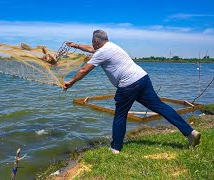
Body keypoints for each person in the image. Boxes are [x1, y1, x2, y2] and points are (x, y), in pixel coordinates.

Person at [63, 30, 201, 154]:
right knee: (161, 107)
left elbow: (83, 70)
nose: (92, 45)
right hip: (143, 78)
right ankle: (190, 133)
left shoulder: (101, 52)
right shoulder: (111, 46)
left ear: (96, 41)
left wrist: (71, 82)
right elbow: (89, 48)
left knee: (120, 115)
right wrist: (75, 45)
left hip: (128, 85)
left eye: (93, 42)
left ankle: (115, 148)